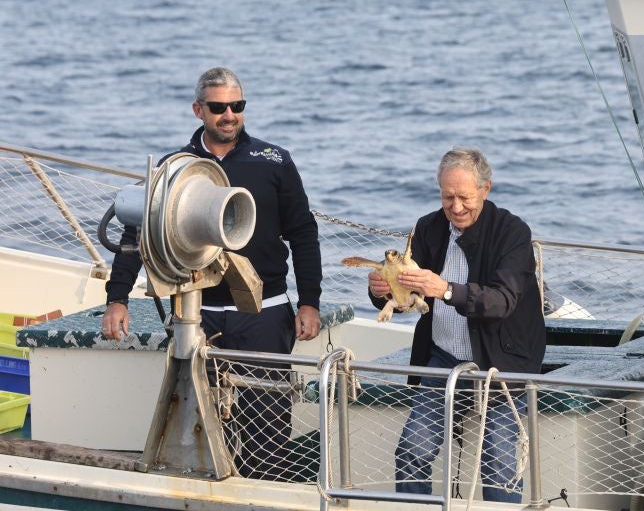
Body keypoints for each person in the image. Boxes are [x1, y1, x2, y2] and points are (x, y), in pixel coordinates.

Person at [101, 66, 323, 477]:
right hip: (195, 314)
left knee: (268, 432)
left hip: (264, 313)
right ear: (198, 110)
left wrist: (310, 301)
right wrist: (117, 299)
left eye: (237, 106)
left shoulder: (274, 161)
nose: (229, 115)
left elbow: (304, 234)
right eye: (218, 107)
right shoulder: (174, 168)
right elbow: (139, 236)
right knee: (200, 430)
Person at [367, 147, 545, 503]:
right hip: (443, 358)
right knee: (412, 451)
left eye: (465, 196)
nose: (457, 206)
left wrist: (445, 290)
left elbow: (501, 301)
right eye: (448, 197)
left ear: (486, 189)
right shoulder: (428, 227)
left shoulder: (512, 233)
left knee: (500, 465)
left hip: (502, 364)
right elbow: (407, 295)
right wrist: (380, 290)